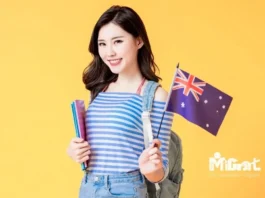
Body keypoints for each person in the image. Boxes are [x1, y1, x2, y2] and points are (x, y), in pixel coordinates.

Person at [66, 5, 174, 198]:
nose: (109, 52)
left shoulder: (155, 95)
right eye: (102, 44)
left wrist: (151, 169)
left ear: (138, 40)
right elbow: (101, 146)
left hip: (126, 189)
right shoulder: (99, 90)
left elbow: (161, 170)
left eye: (117, 41)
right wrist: (76, 151)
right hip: (89, 187)